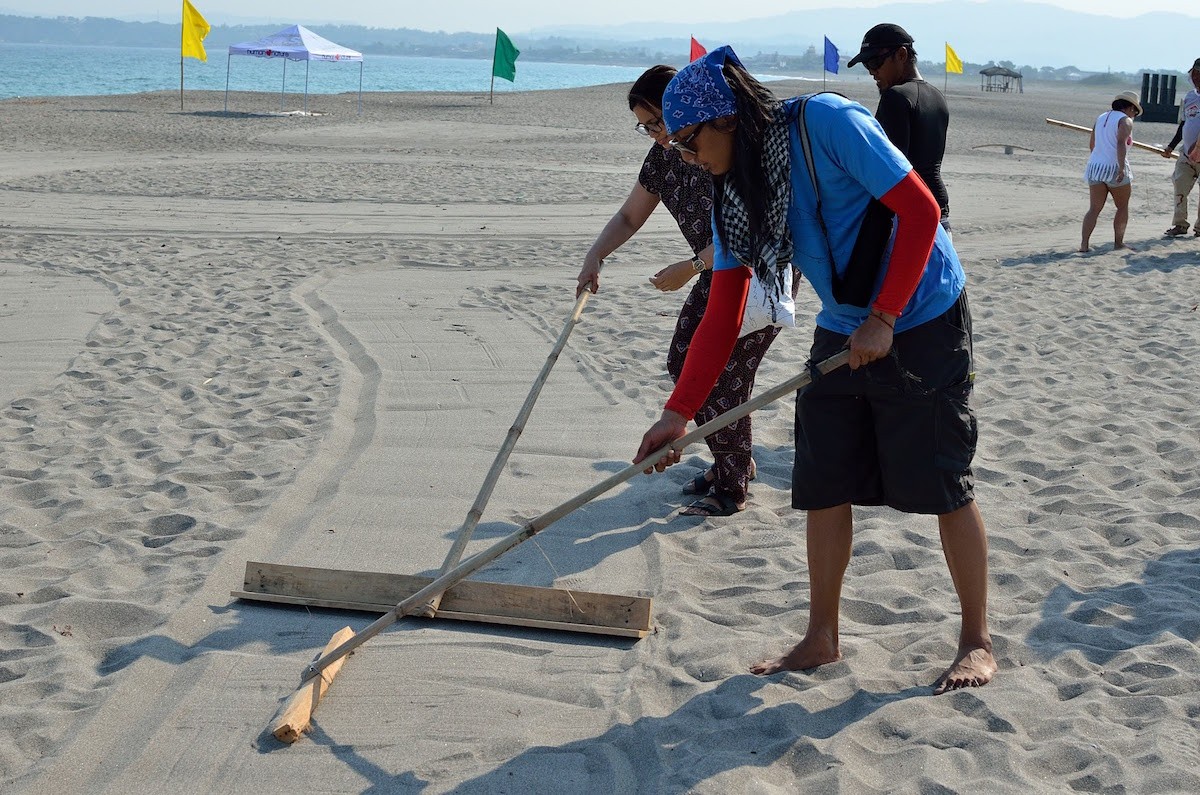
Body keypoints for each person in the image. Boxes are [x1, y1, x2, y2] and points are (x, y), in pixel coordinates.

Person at [633, 46, 995, 694]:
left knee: (945, 479)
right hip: (845, 317)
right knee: (822, 476)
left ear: (728, 118)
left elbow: (921, 211)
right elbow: (722, 314)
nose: (684, 158)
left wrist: (885, 317)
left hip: (923, 309)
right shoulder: (735, 191)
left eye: (688, 142)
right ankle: (822, 634)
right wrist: (675, 415)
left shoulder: (826, 124)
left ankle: (976, 639)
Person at [578, 64, 780, 517]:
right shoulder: (664, 157)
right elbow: (630, 216)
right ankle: (732, 460)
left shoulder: (723, 147)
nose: (655, 134)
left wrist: (690, 266)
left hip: (759, 275)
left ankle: (732, 484)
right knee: (683, 364)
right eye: (644, 127)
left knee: (726, 379)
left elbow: (747, 229)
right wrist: (595, 256)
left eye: (658, 121)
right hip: (715, 273)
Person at [848, 23, 952, 235]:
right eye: (867, 65)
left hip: (911, 218)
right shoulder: (937, 96)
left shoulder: (896, 98)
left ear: (902, 55)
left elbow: (889, 172)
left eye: (875, 61)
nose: (872, 72)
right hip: (940, 214)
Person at [1079, 90, 1141, 253]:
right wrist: (1121, 168)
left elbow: (1092, 144)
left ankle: (1084, 245)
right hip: (1113, 167)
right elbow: (1121, 144)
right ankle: (1118, 243)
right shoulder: (1125, 121)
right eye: (1134, 111)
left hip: (1095, 167)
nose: (1134, 114)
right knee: (1122, 207)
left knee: (1094, 209)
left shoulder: (1101, 118)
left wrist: (1098, 158)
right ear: (1129, 108)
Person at [1161, 59, 1200, 237]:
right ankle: (1180, 224)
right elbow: (1183, 125)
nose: (1197, 77)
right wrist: (1171, 146)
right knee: (1179, 185)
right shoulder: (1189, 98)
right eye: (1195, 74)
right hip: (1185, 154)